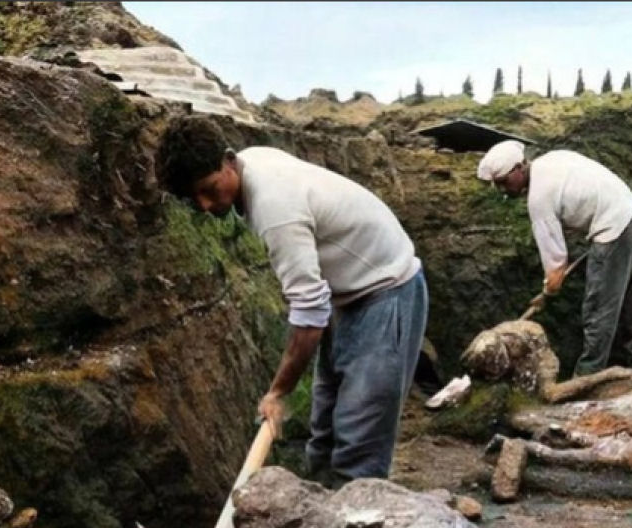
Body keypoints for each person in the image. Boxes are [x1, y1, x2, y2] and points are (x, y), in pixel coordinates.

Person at [156, 116, 428, 485]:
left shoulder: (274, 209)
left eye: (208, 188)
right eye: (193, 198)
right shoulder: (253, 161)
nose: (204, 205)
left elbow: (310, 315)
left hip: (386, 293)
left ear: (227, 160)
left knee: (357, 449)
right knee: (324, 438)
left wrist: (277, 393)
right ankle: (320, 524)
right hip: (347, 296)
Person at [477, 140, 632, 378]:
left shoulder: (539, 198)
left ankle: (585, 381)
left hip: (614, 230)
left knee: (598, 313)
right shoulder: (552, 159)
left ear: (519, 168)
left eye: (503, 182)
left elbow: (556, 269)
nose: (502, 190)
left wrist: (547, 293)